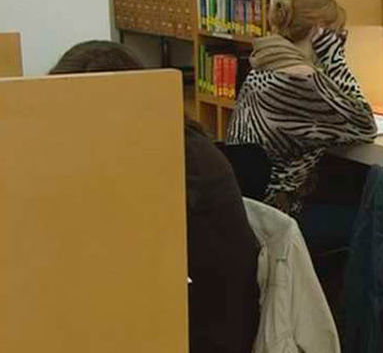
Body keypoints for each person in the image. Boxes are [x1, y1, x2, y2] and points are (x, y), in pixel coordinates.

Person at [50, 41, 261, 353]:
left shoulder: (174, 155)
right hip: (189, 307)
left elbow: (123, 246)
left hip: (202, 328)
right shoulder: (163, 135)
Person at [226, 0, 377, 226]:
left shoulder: (266, 64)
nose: (341, 41)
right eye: (339, 34)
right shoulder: (300, 79)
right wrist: (335, 59)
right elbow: (365, 125)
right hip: (282, 215)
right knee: (374, 216)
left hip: (253, 208)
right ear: (320, 31)